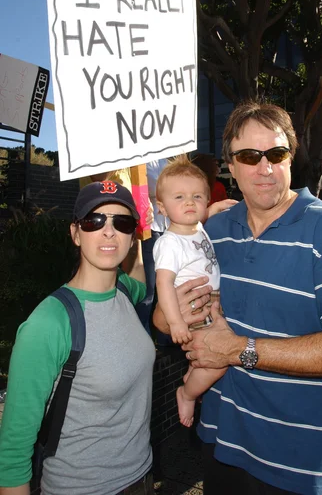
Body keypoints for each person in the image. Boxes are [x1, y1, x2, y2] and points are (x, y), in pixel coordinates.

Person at [154, 102, 322, 495]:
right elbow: (161, 317)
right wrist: (172, 311)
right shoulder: (213, 230)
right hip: (222, 447)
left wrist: (240, 350)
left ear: (291, 156)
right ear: (231, 165)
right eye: (248, 156)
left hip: (298, 463)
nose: (264, 168)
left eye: (276, 154)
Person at [0, 181, 156, 495]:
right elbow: (14, 450)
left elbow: (139, 274)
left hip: (142, 477)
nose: (109, 231)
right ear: (75, 233)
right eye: (94, 221)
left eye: (122, 222)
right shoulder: (50, 323)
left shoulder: (125, 291)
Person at [153, 158, 227, 427]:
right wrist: (175, 322)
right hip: (195, 311)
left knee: (205, 359)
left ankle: (192, 378)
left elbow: (199, 217)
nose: (189, 202)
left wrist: (214, 209)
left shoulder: (197, 229)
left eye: (197, 196)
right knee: (218, 361)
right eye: (180, 197)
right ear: (161, 207)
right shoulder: (170, 243)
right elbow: (163, 284)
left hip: (211, 306)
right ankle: (186, 393)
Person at [136, 158, 169, 335]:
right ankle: (144, 333)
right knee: (149, 286)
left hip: (169, 226)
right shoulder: (142, 160)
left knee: (168, 284)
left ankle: (165, 334)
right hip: (151, 227)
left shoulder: (168, 160)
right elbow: (149, 186)